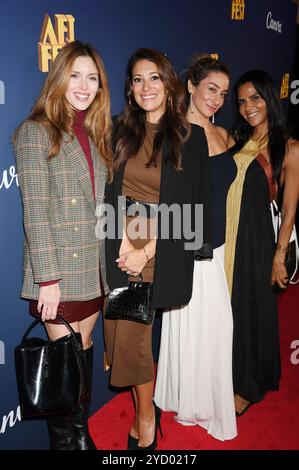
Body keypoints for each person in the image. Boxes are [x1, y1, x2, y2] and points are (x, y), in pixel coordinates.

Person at [104, 48, 212, 450]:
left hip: (160, 242)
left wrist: (146, 251)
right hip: (118, 237)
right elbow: (110, 193)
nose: (146, 87)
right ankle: (145, 411)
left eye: (154, 78)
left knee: (132, 339)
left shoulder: (190, 136)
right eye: (137, 79)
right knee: (121, 334)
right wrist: (119, 241)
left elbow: (192, 205)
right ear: (130, 89)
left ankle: (146, 421)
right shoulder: (120, 130)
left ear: (168, 85)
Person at [14, 40, 112, 450]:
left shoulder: (95, 132)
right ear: (58, 78)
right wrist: (48, 281)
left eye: (92, 78)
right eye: (75, 75)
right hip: (59, 274)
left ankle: (79, 433)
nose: (84, 86)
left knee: (81, 354)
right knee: (62, 367)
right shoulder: (35, 132)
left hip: (91, 271)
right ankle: (68, 441)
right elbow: (35, 214)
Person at [154, 55, 237, 441]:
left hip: (219, 243)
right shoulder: (179, 132)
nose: (217, 99)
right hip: (193, 246)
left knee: (209, 328)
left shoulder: (224, 133)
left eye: (223, 93)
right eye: (210, 89)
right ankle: (194, 401)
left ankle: (190, 395)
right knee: (199, 326)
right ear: (190, 86)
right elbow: (165, 198)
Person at [225, 70, 299, 416]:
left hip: (258, 243)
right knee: (231, 311)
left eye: (254, 98)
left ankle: (249, 386)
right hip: (227, 239)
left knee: (253, 312)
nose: (247, 107)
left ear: (270, 98)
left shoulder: (289, 148)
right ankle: (229, 374)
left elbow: (289, 207)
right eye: (241, 101)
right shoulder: (236, 140)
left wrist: (279, 254)